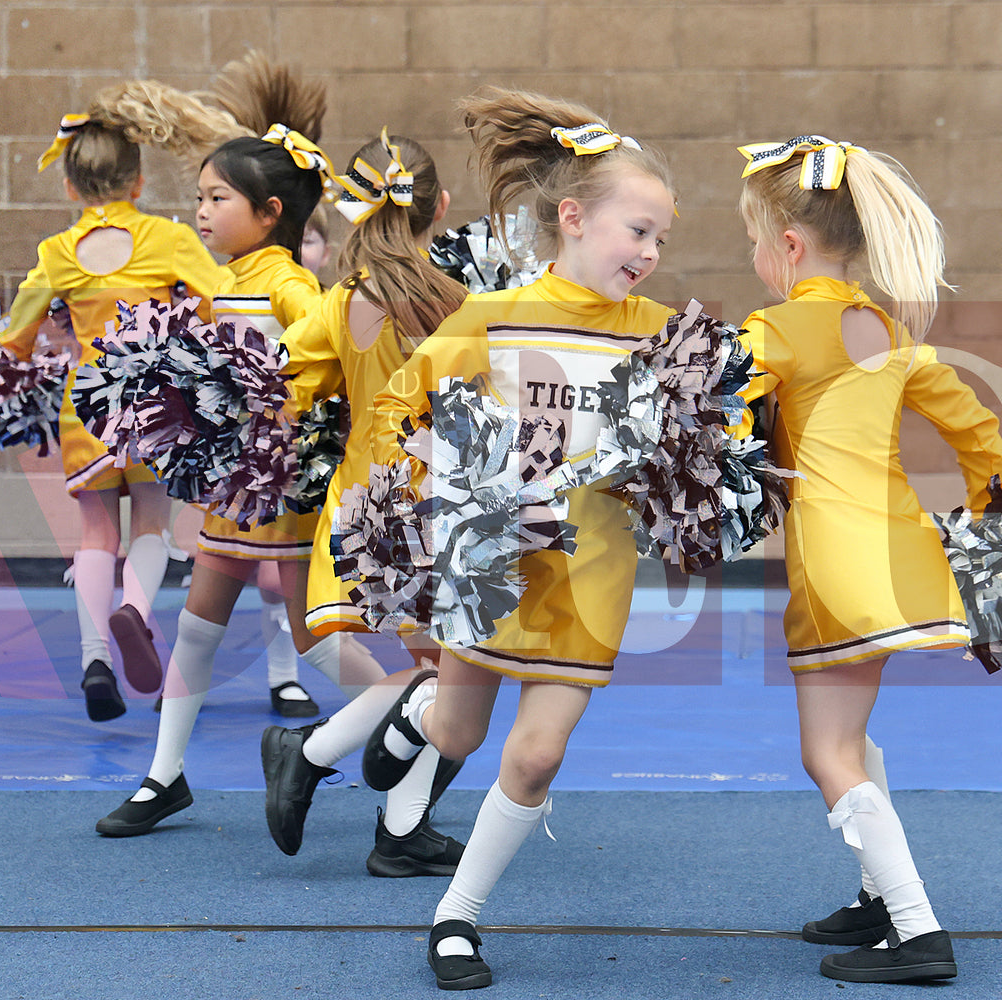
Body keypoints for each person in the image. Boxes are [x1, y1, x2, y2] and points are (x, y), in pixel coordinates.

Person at [354, 88, 679, 990]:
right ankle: (415, 716)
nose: (650, 255)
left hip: (592, 572)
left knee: (536, 754)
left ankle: (455, 918)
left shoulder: (661, 338)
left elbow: (706, 434)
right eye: (637, 232)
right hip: (493, 565)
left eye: (660, 239)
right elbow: (401, 410)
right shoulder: (489, 319)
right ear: (572, 218)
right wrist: (419, 502)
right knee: (458, 730)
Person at [735, 135, 1002, 984]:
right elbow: (976, 429)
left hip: (835, 569)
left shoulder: (775, 328)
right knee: (854, 737)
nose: (755, 256)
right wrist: (990, 522)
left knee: (828, 754)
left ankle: (919, 933)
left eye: (755, 240)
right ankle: (877, 898)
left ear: (788, 245)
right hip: (905, 557)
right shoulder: (884, 327)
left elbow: (707, 420)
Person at [94, 57, 389, 837]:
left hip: (281, 493)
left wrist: (279, 420)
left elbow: (324, 367)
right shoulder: (228, 279)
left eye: (215, 199)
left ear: (266, 212)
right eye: (198, 197)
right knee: (196, 627)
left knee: (318, 643)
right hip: (234, 490)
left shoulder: (289, 284)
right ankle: (164, 777)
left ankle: (404, 716)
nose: (200, 211)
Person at [258, 128, 472, 877]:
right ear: (440, 205)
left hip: (359, 511)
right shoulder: (461, 303)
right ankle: (311, 755)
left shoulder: (339, 305)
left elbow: (277, 390)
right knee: (447, 678)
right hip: (432, 512)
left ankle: (399, 830)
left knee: (436, 675)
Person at [0, 92, 229, 723]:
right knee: (153, 522)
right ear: (139, 181)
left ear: (71, 187)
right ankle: (136, 607)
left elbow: (14, 341)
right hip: (157, 396)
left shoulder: (56, 253)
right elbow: (218, 304)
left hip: (88, 409)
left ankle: (94, 657)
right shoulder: (170, 238)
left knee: (95, 532)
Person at [257, 200, 335, 719]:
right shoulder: (260, 288)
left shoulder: (328, 304)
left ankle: (283, 677)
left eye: (310, 240)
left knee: (282, 576)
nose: (299, 251)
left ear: (326, 251)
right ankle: (187, 672)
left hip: (306, 454)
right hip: (252, 446)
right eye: (292, 241)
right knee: (233, 575)